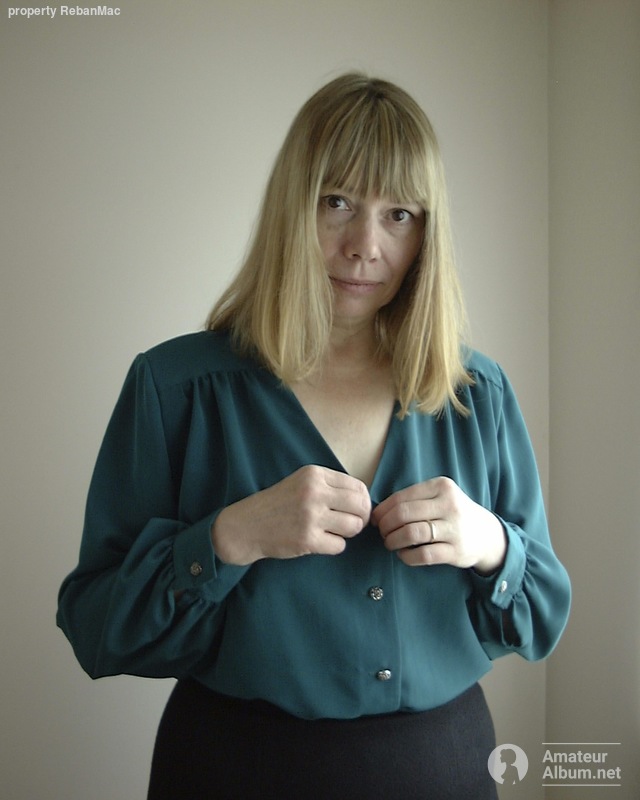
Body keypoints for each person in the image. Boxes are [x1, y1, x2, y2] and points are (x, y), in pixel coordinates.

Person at [57, 73, 571, 799]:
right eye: (337, 203)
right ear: (292, 207)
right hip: (234, 771)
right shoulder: (173, 389)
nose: (365, 246)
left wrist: (491, 543)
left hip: (442, 769)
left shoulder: (476, 395)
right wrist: (227, 538)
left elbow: (544, 617)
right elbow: (95, 624)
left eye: (399, 214)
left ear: (428, 233)